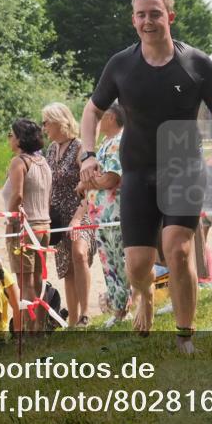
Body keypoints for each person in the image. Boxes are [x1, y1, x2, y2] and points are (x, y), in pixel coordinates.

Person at [79, 0, 212, 350]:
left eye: (155, 14)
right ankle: (145, 295)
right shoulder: (121, 64)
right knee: (137, 265)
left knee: (178, 250)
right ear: (133, 20)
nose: (148, 21)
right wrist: (87, 153)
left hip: (184, 170)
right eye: (141, 15)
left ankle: (184, 336)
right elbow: (92, 110)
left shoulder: (196, 62)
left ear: (170, 17)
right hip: (136, 173)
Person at [43, 102, 96, 328]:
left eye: (46, 122)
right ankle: (73, 320)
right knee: (67, 268)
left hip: (80, 212)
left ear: (59, 122)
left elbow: (90, 186)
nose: (44, 127)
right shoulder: (51, 149)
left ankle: (85, 313)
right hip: (58, 216)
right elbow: (49, 185)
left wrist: (77, 218)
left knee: (80, 254)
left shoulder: (80, 147)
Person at [79, 104, 129, 327]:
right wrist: (90, 181)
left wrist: (87, 183)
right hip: (102, 216)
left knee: (120, 262)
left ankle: (125, 308)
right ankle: (118, 310)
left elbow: (110, 178)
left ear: (110, 117)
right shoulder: (105, 144)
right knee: (110, 264)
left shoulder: (118, 142)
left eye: (100, 117)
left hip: (114, 215)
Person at [3, 119, 52, 333]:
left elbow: (18, 195)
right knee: (38, 280)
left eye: (11, 135)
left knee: (25, 282)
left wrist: (10, 220)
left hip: (25, 226)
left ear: (20, 139)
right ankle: (40, 327)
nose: (9, 139)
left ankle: (29, 330)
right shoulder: (43, 162)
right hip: (44, 225)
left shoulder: (19, 162)